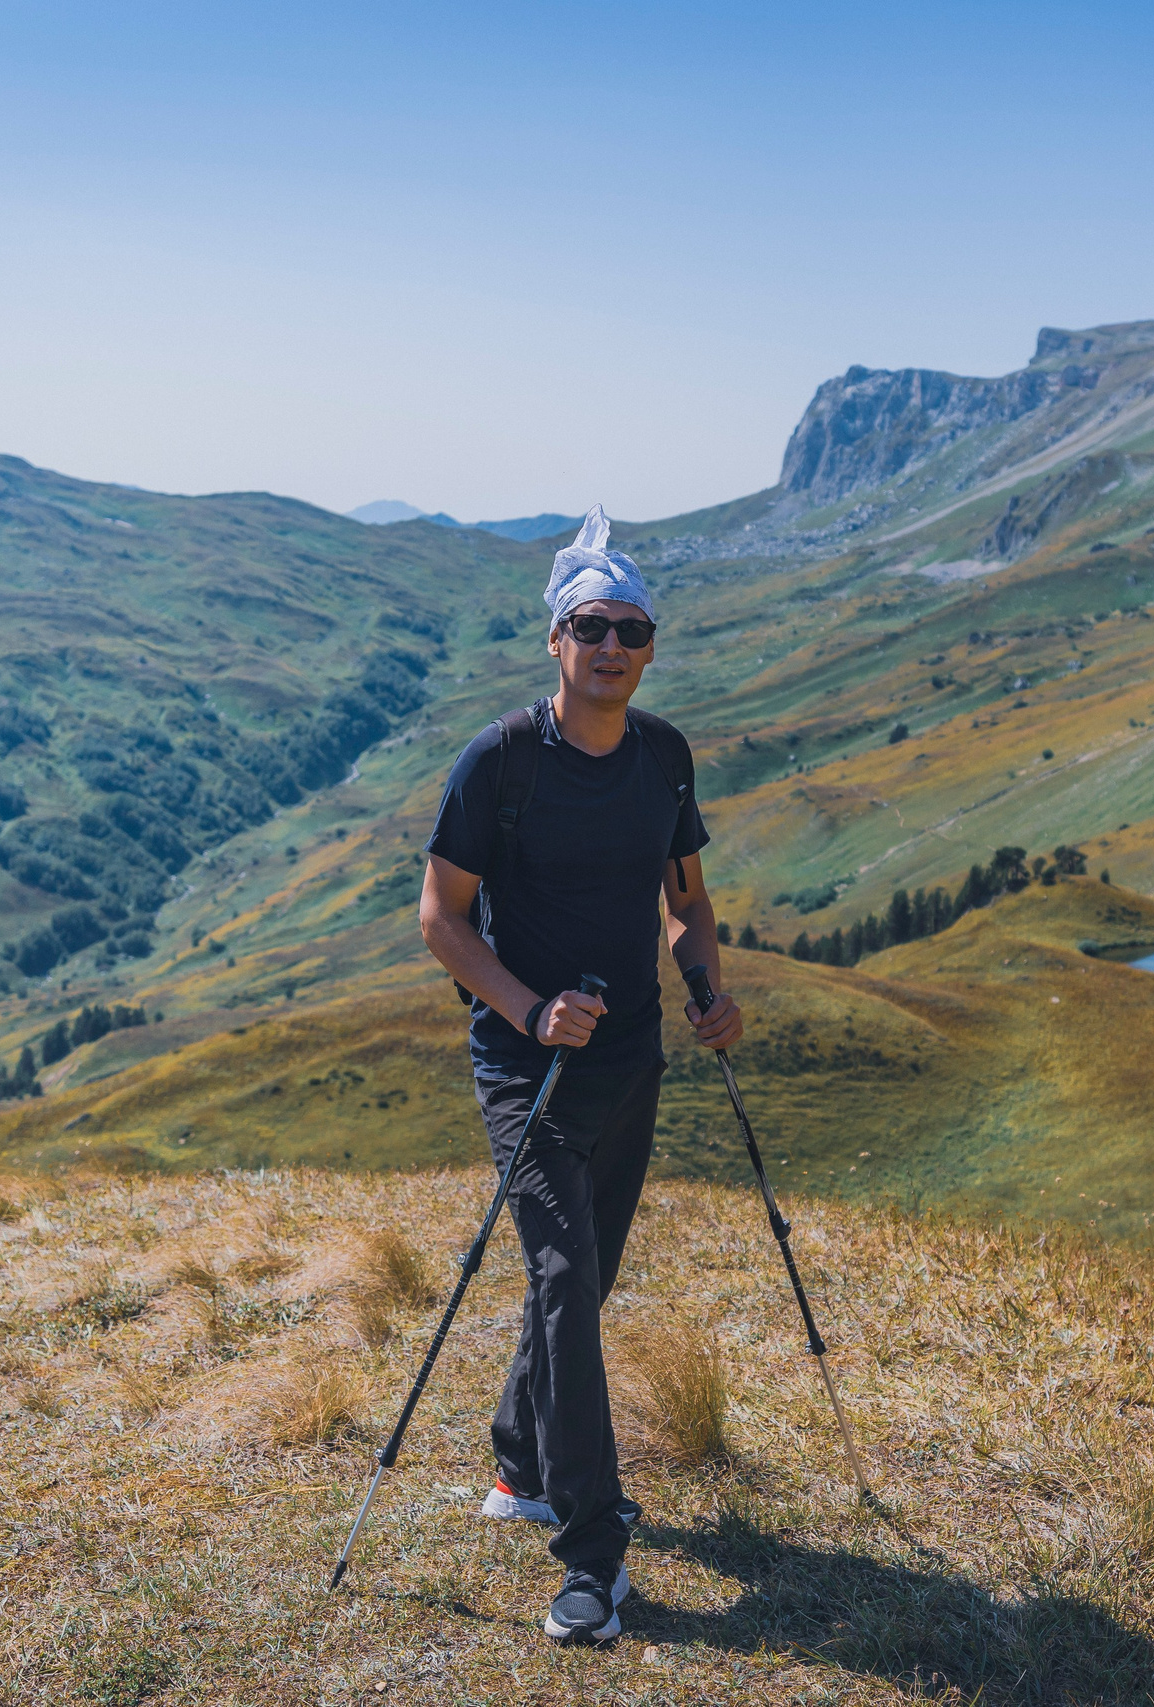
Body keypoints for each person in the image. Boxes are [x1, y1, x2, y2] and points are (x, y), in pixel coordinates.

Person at [419, 504, 744, 1646]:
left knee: (583, 1280)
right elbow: (442, 920)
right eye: (591, 625)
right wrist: (525, 1009)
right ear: (554, 639)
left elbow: (686, 900)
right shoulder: (500, 761)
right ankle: (594, 1559)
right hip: (524, 1069)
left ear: (649, 647)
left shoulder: (663, 757)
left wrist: (706, 987)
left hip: (632, 1056)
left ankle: (518, 1463)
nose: (612, 646)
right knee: (564, 1276)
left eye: (632, 630)